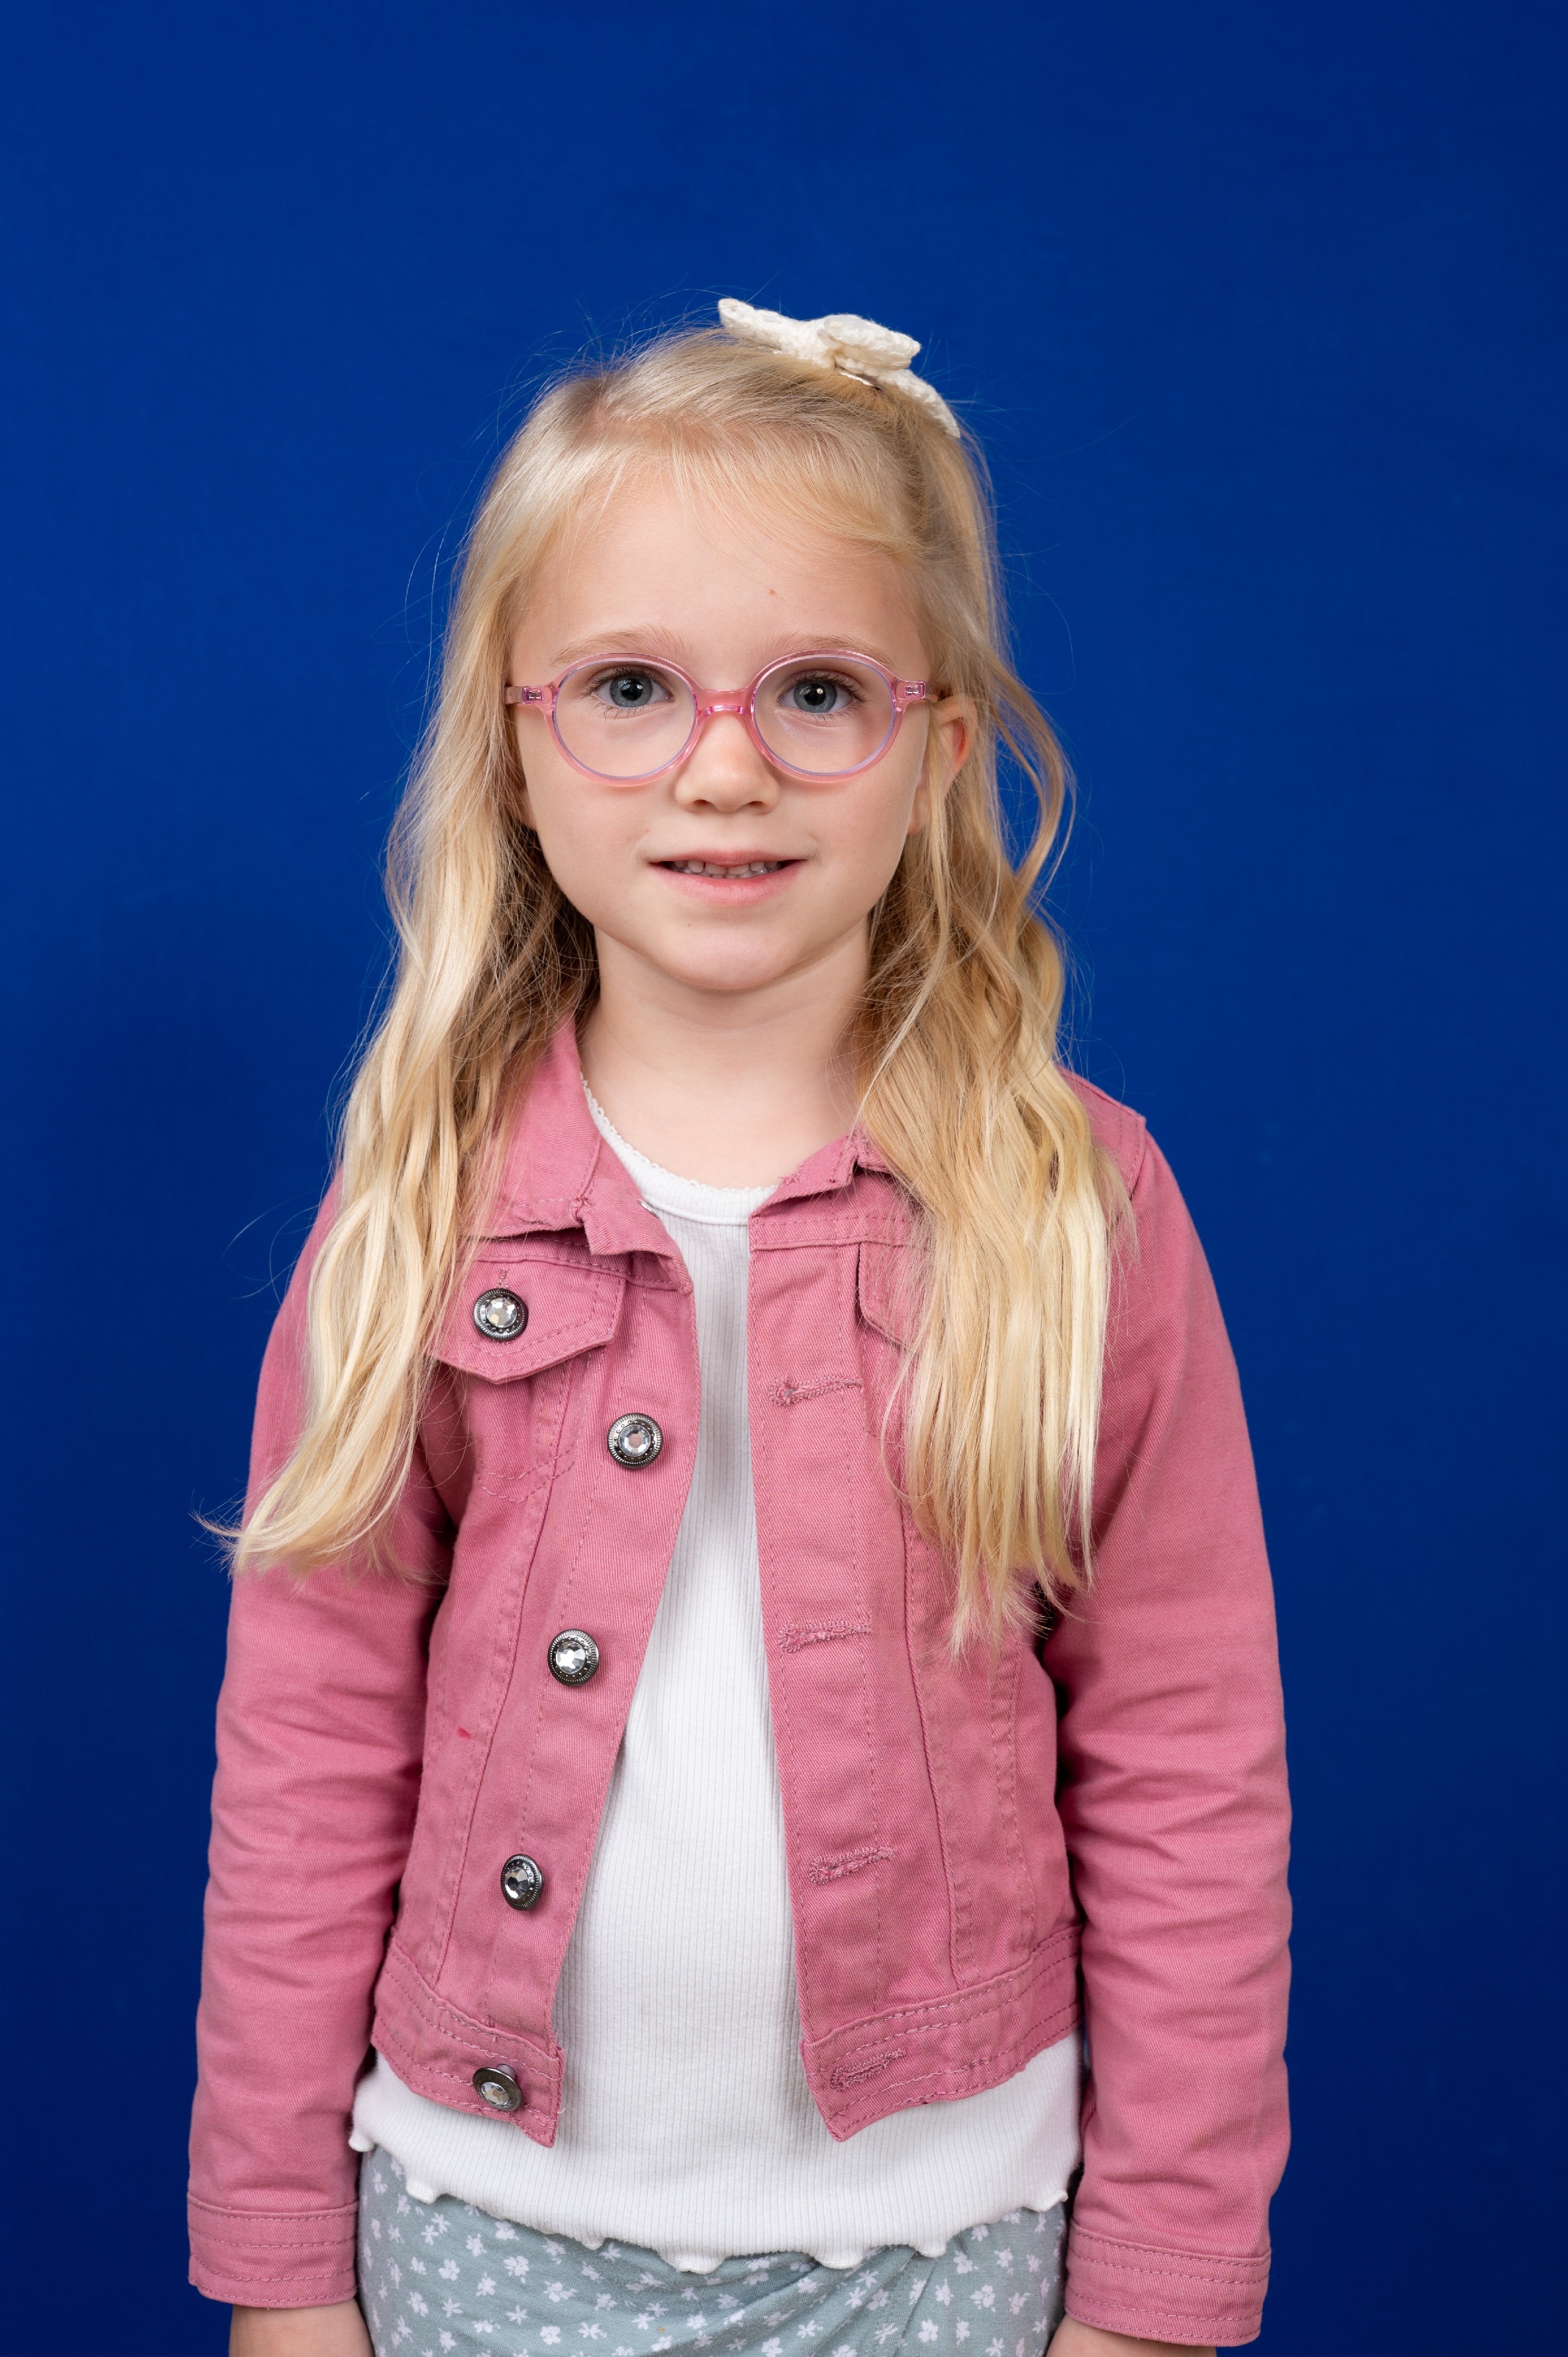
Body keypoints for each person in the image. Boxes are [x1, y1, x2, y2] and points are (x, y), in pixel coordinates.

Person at [189, 301, 1290, 2357]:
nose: (723, 766)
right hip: (480, 2229)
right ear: (518, 742)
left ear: (937, 745)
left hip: (948, 2250)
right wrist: (280, 2271)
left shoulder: (1078, 1205)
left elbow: (1189, 1771)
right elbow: (308, 1757)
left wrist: (1154, 2297)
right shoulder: (421, 1209)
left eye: (816, 691)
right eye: (629, 686)